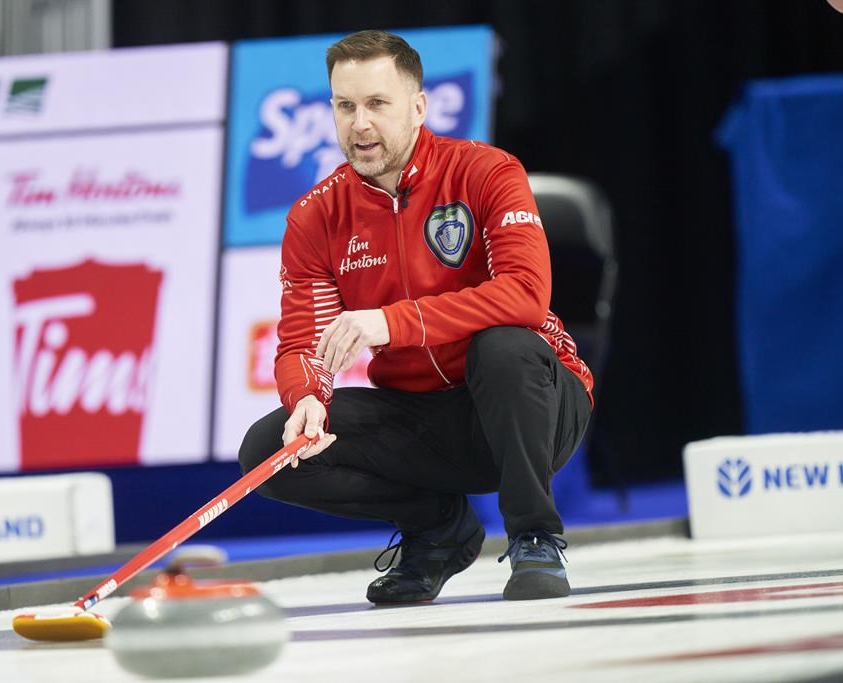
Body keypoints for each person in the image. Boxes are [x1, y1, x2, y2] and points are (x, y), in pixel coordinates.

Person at [239, 30, 593, 603]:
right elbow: (301, 343)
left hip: (536, 405)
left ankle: (535, 537)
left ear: (418, 106)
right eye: (345, 106)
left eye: (377, 104)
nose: (359, 124)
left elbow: (526, 294)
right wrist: (308, 396)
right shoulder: (315, 217)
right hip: (428, 419)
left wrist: (393, 321)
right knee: (266, 453)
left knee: (502, 346)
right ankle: (438, 531)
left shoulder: (486, 171)